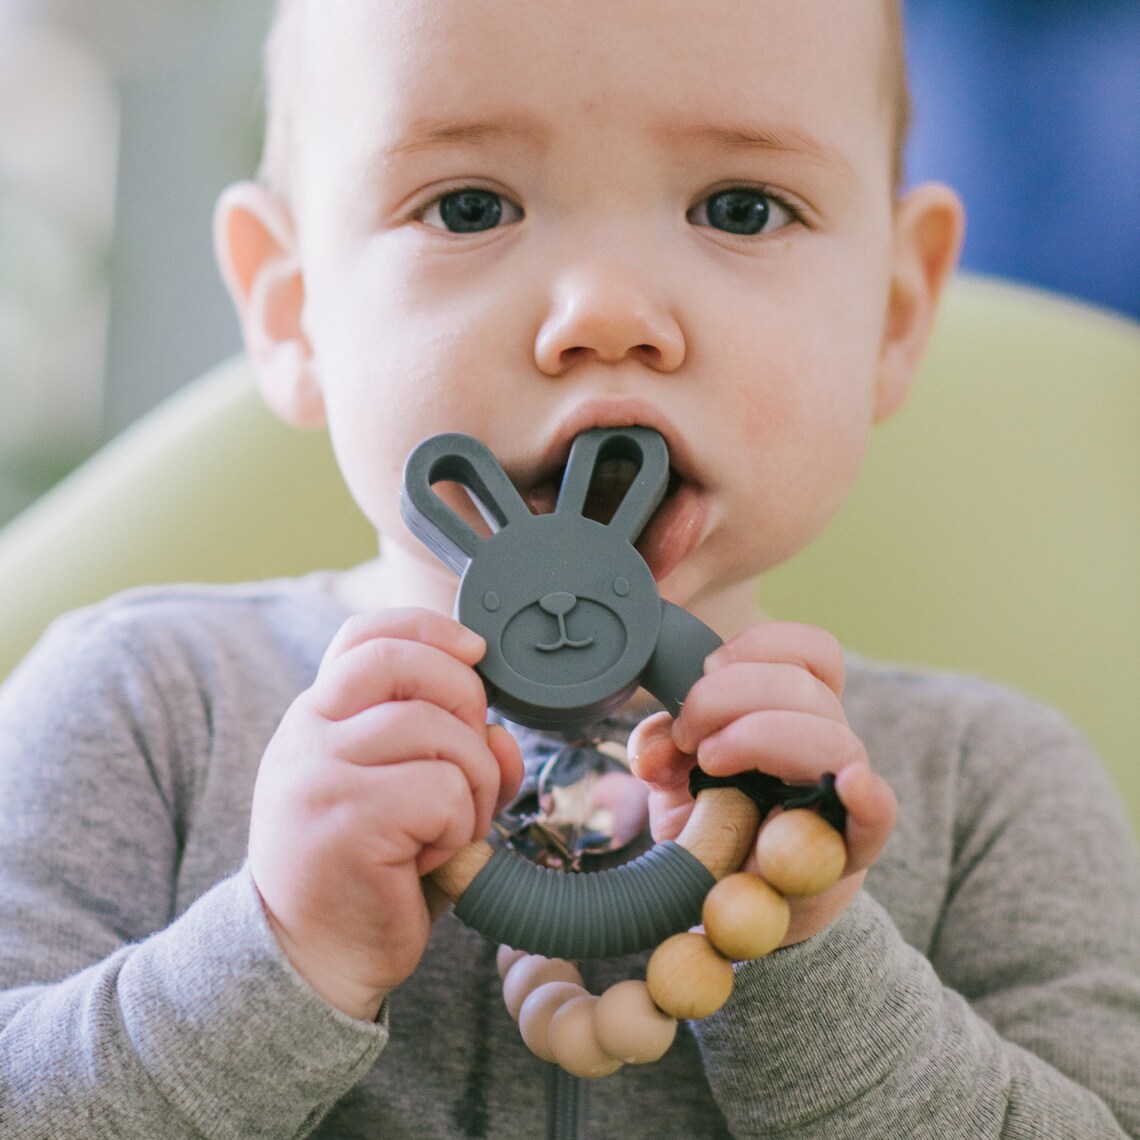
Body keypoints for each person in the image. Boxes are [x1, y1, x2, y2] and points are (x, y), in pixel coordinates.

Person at [1, 1, 1137, 1136]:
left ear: (893, 313)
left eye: (741, 209)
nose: (607, 313)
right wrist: (275, 950)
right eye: (469, 205)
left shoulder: (992, 785)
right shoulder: (143, 711)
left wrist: (809, 956)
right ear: (292, 307)